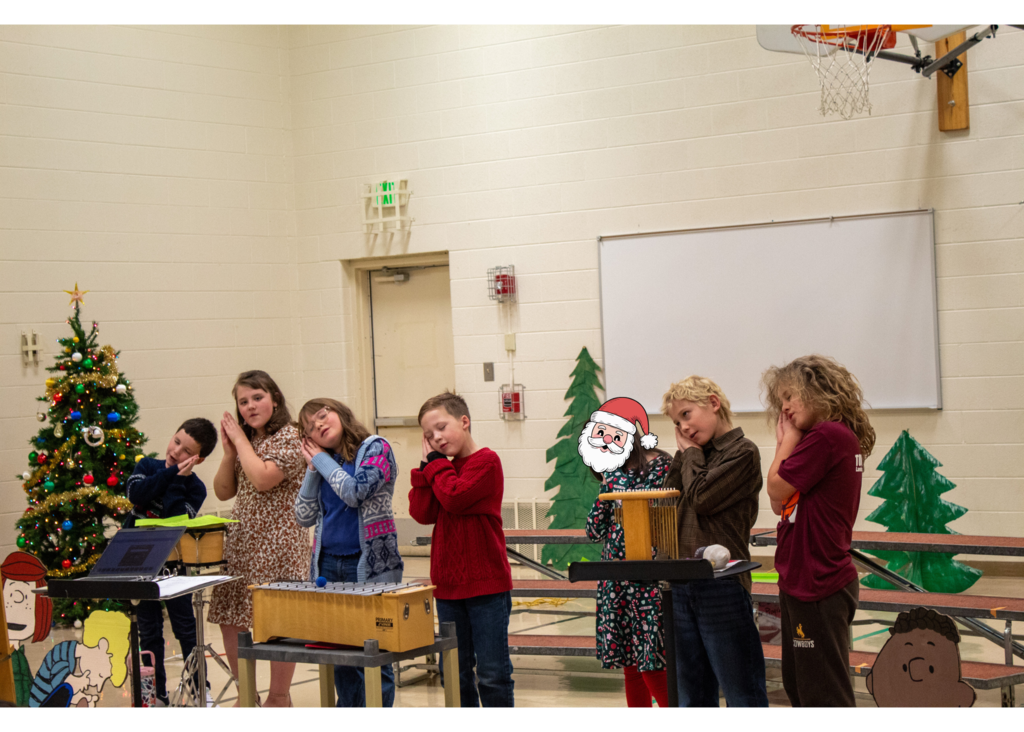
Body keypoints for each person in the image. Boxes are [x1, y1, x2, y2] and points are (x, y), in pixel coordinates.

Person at [762, 354, 875, 709]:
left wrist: (787, 439)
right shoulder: (829, 437)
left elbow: (775, 489)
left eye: (790, 396)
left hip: (818, 580)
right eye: (781, 401)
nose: (785, 408)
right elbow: (781, 506)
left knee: (823, 694)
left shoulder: (826, 435)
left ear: (815, 391)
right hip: (805, 579)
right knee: (802, 687)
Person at [661, 376, 768, 708]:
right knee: (690, 694)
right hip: (681, 583)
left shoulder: (742, 452)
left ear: (714, 403)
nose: (684, 428)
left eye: (687, 415)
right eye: (677, 423)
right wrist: (684, 458)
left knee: (741, 691)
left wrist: (690, 453)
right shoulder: (691, 457)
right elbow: (667, 500)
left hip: (721, 585)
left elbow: (703, 498)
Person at [207, 370, 310, 708]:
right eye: (243, 401)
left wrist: (240, 442)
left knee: (280, 620)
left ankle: (279, 696)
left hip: (280, 543)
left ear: (274, 398)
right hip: (241, 542)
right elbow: (223, 492)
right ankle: (246, 693)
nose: (250, 406)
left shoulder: (291, 435)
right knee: (231, 617)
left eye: (257, 397)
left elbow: (264, 478)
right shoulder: (244, 442)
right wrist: (227, 453)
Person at [294, 398, 404, 708]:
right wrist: (313, 469)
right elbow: (303, 516)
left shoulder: (375, 447)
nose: (319, 425)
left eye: (322, 415)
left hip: (372, 565)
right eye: (310, 428)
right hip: (328, 565)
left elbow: (355, 492)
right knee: (341, 659)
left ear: (340, 412)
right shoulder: (323, 463)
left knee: (375, 656)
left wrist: (323, 462)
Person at [409, 391, 514, 708]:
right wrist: (425, 469)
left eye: (441, 427)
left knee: (492, 674)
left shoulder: (486, 462)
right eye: (429, 435)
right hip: (448, 589)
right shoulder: (443, 469)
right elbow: (423, 513)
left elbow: (454, 496)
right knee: (454, 672)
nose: (437, 438)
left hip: (486, 588)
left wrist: (436, 467)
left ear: (464, 421)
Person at [125, 417, 218, 707]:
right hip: (138, 562)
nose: (176, 451)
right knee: (149, 631)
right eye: (176, 441)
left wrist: (178, 480)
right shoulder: (147, 467)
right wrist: (169, 474)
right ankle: (156, 694)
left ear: (198, 459)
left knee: (185, 628)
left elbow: (176, 517)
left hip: (174, 563)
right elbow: (137, 495)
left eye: (186, 450)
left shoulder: (196, 488)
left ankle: (199, 688)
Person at [585, 442, 673, 708]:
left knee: (652, 664)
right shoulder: (612, 475)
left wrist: (614, 481)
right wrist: (606, 484)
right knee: (631, 665)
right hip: (618, 582)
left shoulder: (662, 466)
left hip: (650, 581)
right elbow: (594, 531)